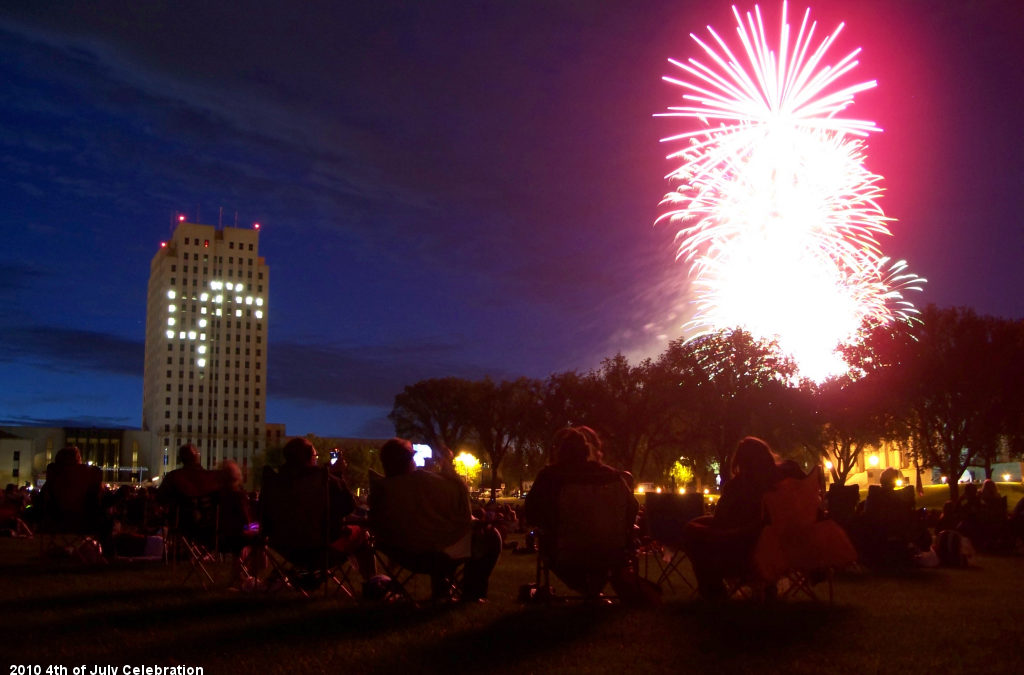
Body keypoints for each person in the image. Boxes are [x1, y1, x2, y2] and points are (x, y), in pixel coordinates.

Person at [369, 438, 501, 602]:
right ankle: (472, 593)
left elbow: (375, 522)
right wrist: (448, 466)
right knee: (490, 536)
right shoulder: (425, 482)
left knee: (439, 531)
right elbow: (459, 491)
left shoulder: (381, 490)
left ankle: (442, 592)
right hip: (434, 553)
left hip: (402, 553)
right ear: (410, 460)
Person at [525, 427, 641, 601]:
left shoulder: (550, 477)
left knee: (551, 544)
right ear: (587, 451)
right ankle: (593, 589)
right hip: (611, 549)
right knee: (595, 551)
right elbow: (632, 508)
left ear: (560, 452)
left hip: (565, 550)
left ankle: (587, 589)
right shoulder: (612, 476)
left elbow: (531, 512)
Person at [682, 436, 784, 600]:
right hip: (767, 545)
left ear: (741, 462)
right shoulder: (776, 486)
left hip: (738, 545)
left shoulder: (736, 487)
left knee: (692, 532)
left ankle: (713, 590)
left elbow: (721, 519)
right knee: (695, 527)